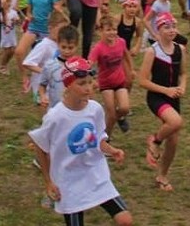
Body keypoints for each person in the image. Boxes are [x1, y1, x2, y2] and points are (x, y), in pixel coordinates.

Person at [28, 56, 133, 226]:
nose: (88, 88)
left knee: (125, 220)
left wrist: (112, 150)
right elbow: (41, 148)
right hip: (69, 181)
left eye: (90, 82)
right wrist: (49, 182)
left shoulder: (95, 109)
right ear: (68, 85)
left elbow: (98, 139)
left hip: (95, 174)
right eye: (81, 83)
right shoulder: (55, 117)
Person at [139, 12, 186, 192]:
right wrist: (166, 90)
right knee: (175, 122)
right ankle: (155, 141)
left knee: (173, 141)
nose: (171, 30)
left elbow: (183, 73)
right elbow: (142, 81)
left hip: (174, 97)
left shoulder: (180, 50)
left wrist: (183, 86)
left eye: (173, 26)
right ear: (158, 30)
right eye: (166, 27)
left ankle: (162, 175)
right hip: (157, 96)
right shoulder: (153, 51)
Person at [89, 16, 134, 137]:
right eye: (108, 30)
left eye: (114, 29)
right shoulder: (98, 48)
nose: (112, 32)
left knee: (124, 108)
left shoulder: (121, 42)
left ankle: (118, 119)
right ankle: (105, 137)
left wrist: (131, 69)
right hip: (106, 84)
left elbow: (126, 55)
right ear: (101, 31)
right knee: (111, 114)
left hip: (120, 81)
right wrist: (91, 79)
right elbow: (90, 63)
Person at [37, 25, 80, 112]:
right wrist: (43, 96)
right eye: (63, 47)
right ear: (58, 43)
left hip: (74, 109)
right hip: (54, 109)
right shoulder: (50, 65)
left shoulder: (80, 66)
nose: (67, 51)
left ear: (77, 46)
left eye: (70, 48)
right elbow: (42, 84)